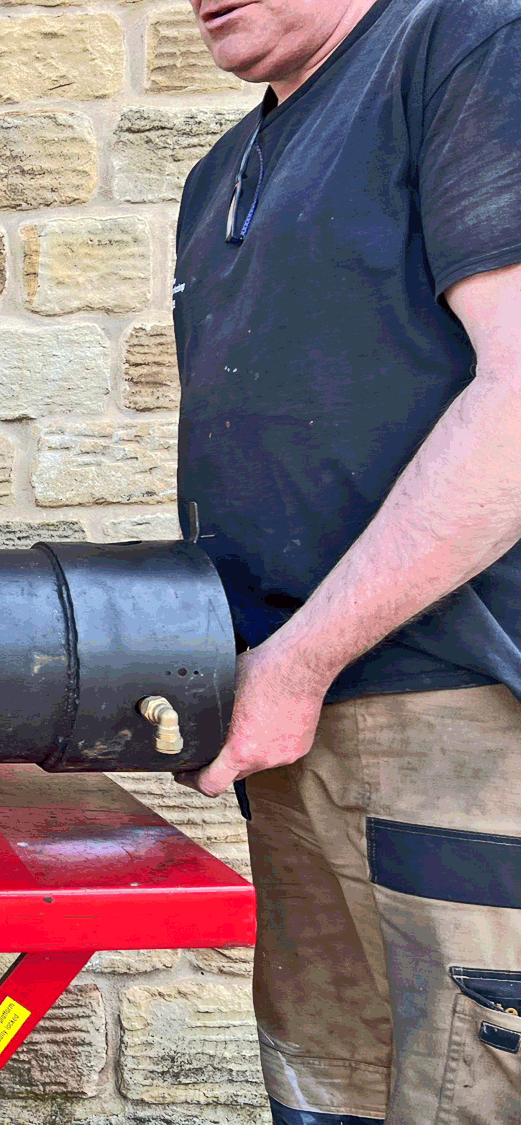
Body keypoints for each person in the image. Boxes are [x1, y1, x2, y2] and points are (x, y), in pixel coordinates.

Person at [171, 0, 521, 1121]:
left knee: (470, 1088)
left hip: (454, 714)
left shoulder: (466, 42)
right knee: (329, 1088)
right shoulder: (221, 173)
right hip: (287, 723)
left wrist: (300, 661)